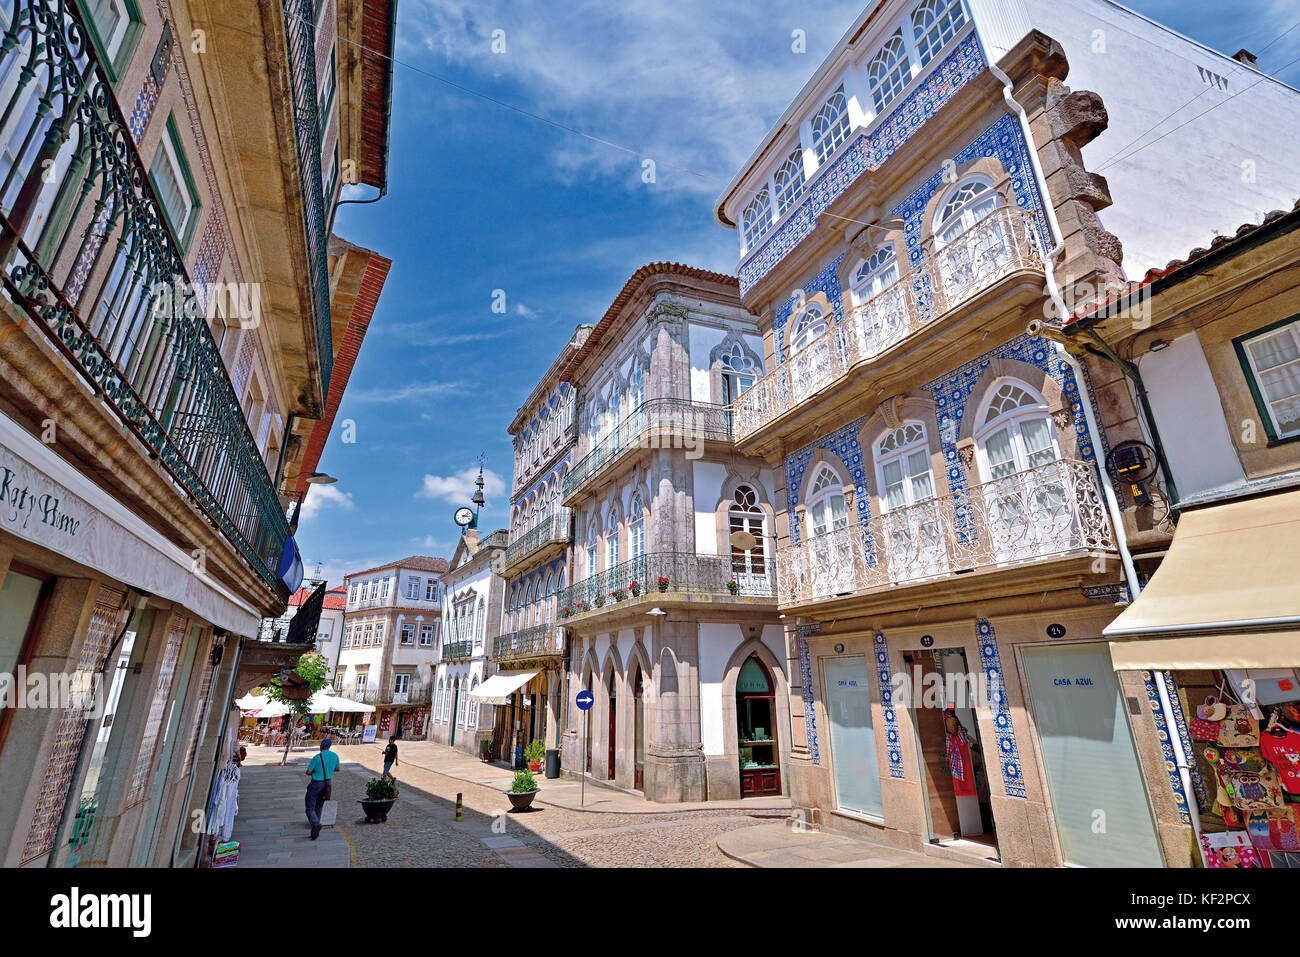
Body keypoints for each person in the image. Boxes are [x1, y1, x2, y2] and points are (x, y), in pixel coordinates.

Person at [305, 738, 339, 840]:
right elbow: (337, 769)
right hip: (327, 784)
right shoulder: (335, 756)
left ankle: (315, 824)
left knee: (310, 807)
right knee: (319, 806)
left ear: (321, 746)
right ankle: (315, 830)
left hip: (316, 783)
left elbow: (308, 772)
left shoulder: (317, 757)